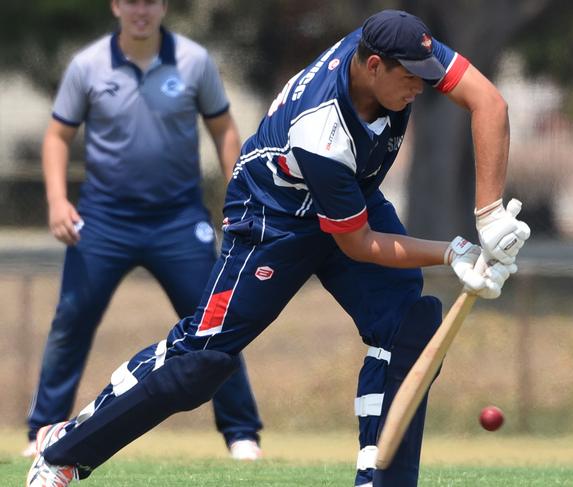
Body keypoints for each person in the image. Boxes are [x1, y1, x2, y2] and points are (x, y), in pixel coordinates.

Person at [26, 9, 530, 487]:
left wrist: (487, 218)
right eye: (411, 78)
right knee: (198, 363)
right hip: (272, 220)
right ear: (374, 66)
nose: (421, 86)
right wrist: (453, 253)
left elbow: (490, 103)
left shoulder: (398, 42)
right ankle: (62, 452)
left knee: (409, 328)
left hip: (348, 199)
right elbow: (358, 244)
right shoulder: (323, 130)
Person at [24, 0, 263, 464]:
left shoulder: (194, 61)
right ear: (116, 6)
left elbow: (224, 131)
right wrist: (57, 200)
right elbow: (57, 136)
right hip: (103, 219)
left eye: (150, 1)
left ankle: (241, 434)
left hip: (178, 220)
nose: (141, 10)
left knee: (217, 323)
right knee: (70, 320)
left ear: (163, 7)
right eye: (131, 0)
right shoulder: (87, 65)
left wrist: (240, 199)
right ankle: (42, 431)